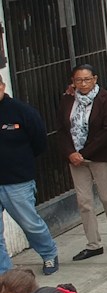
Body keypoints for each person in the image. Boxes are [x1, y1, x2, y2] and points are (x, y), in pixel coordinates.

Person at [56, 65, 107, 261]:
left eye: (87, 79)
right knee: (84, 202)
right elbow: (62, 129)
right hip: (75, 158)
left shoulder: (105, 98)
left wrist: (84, 153)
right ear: (73, 81)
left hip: (100, 155)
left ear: (95, 79)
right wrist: (71, 152)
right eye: (79, 80)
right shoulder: (68, 98)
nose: (83, 83)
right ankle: (93, 244)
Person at [0, 76, 58, 277]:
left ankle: (49, 253)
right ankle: (4, 272)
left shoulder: (22, 111)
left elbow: (39, 142)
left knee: (29, 223)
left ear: (2, 86)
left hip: (18, 181)